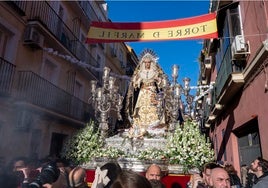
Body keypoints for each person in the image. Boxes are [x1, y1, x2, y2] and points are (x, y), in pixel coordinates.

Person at [125, 49, 167, 137]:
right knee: (140, 108)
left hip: (152, 92)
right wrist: (136, 81)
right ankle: (139, 125)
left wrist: (158, 80)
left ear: (151, 63)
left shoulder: (155, 72)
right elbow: (135, 85)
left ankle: (154, 125)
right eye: (145, 62)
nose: (147, 64)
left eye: (149, 62)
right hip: (143, 92)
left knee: (153, 108)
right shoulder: (140, 73)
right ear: (143, 63)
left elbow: (162, 84)